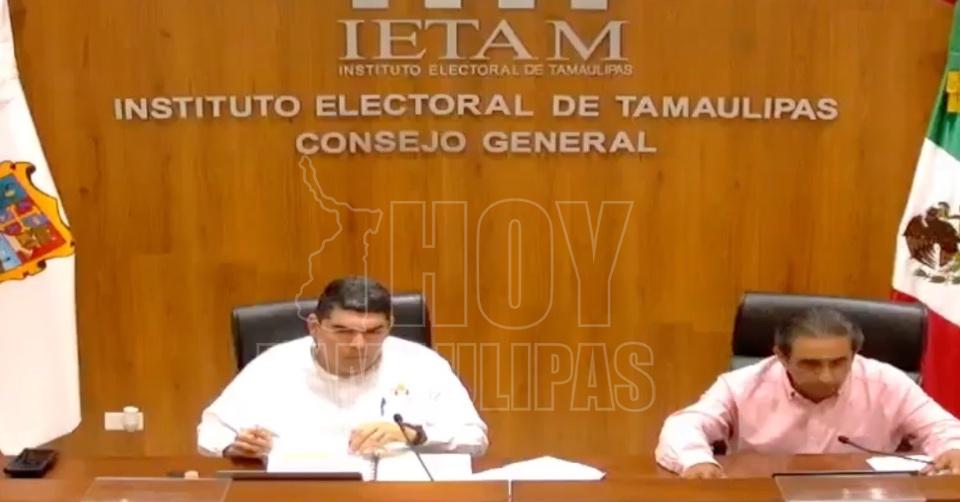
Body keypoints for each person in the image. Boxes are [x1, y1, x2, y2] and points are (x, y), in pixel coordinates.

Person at [197, 276, 488, 459]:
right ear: (314, 326)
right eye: (343, 331)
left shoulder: (422, 365)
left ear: (390, 326)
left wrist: (414, 434)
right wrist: (237, 446)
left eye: (374, 331)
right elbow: (210, 432)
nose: (359, 344)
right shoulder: (274, 366)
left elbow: (475, 438)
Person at [656, 308, 960, 479]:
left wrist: (953, 450)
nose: (827, 376)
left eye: (839, 362)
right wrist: (696, 461)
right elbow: (684, 425)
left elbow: (943, 428)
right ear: (781, 356)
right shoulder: (742, 385)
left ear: (855, 354)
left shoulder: (886, 382)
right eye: (811, 364)